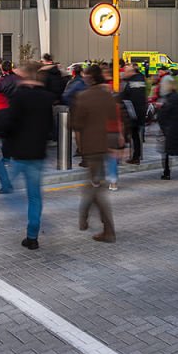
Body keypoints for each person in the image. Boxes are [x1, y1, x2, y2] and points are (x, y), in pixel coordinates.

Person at [0, 62, 55, 250]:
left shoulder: (19, 96)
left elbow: (9, 123)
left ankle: (8, 193)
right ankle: (32, 235)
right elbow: (50, 128)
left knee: (11, 188)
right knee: (35, 197)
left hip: (19, 153)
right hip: (37, 153)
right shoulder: (46, 98)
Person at [70, 65, 118, 242]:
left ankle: (108, 229)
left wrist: (81, 146)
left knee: (95, 188)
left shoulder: (83, 96)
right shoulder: (108, 95)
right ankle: (85, 216)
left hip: (91, 147)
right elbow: (114, 119)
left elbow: (76, 125)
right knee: (94, 184)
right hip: (105, 145)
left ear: (90, 78)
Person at [118, 64, 148, 165]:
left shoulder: (132, 82)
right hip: (140, 112)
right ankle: (135, 156)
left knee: (133, 135)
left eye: (126, 71)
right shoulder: (141, 79)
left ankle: (135, 157)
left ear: (132, 72)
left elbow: (125, 95)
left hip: (133, 113)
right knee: (135, 136)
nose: (124, 73)